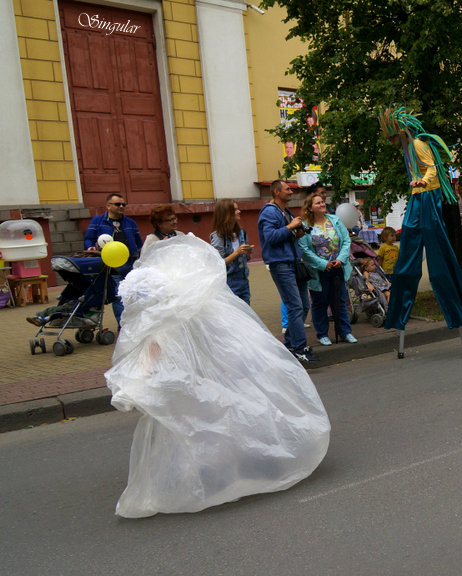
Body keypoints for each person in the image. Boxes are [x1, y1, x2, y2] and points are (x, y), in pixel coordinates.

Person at [106, 235, 330, 518]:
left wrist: (133, 387)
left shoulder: (179, 316)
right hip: (207, 371)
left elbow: (154, 355)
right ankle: (226, 459)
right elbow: (151, 354)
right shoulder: (171, 317)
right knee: (211, 414)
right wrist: (133, 387)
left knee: (220, 412)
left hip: (217, 367)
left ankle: (236, 459)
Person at [377, 107, 462, 334]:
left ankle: (457, 311)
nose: (392, 142)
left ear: (400, 132)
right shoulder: (407, 149)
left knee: (437, 254)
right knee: (409, 252)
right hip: (418, 198)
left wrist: (423, 182)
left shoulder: (417, 145)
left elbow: (433, 168)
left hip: (427, 198)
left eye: (393, 137)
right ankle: (398, 314)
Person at [258, 179, 318, 364]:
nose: (291, 192)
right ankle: (299, 349)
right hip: (281, 264)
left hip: (293, 263)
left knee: (303, 305)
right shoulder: (269, 212)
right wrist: (290, 227)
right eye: (287, 189)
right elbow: (270, 237)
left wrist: (296, 233)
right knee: (294, 306)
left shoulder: (285, 212)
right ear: (276, 192)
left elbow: (284, 236)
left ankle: (290, 344)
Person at [298, 193, 357, 346]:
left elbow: (345, 241)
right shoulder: (305, 226)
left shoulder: (335, 220)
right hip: (319, 271)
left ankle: (345, 332)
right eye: (318, 203)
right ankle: (322, 334)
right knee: (320, 303)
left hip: (337, 267)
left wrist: (340, 259)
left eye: (323, 202)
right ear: (310, 208)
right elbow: (304, 249)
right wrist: (323, 264)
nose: (322, 204)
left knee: (340, 301)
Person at [84, 193, 144, 327]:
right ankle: (123, 327)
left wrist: (139, 256)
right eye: (118, 204)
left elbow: (138, 242)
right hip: (111, 265)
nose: (121, 206)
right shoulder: (98, 221)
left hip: (130, 263)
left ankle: (137, 326)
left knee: (134, 294)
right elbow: (88, 238)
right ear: (108, 206)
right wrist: (90, 247)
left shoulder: (130, 223)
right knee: (118, 296)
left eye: (124, 204)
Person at [209, 199, 253, 304]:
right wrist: (236, 253)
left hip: (243, 279)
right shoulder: (218, 236)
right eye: (235, 210)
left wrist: (248, 253)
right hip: (229, 282)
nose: (239, 211)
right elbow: (217, 264)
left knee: (247, 313)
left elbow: (246, 259)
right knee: (235, 315)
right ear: (226, 213)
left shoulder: (241, 232)